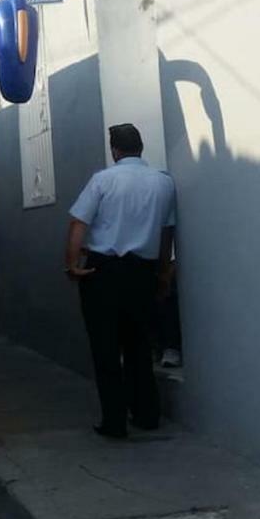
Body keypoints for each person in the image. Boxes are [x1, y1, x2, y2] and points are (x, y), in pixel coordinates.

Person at [65, 124, 176, 439]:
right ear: (141, 148)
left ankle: (114, 421)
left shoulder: (103, 180)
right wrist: (164, 272)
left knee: (106, 348)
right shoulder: (164, 183)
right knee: (139, 345)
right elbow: (167, 232)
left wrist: (71, 265)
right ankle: (146, 414)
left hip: (103, 274)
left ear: (115, 150)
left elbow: (78, 224)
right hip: (143, 272)